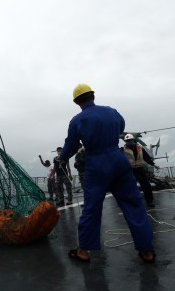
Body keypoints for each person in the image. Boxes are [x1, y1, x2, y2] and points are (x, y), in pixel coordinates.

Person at [58, 83, 155, 263]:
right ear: (93, 96)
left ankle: (83, 251)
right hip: (118, 160)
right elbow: (120, 128)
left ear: (76, 102)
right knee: (134, 205)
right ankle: (147, 251)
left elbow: (71, 144)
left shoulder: (77, 121)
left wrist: (62, 158)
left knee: (92, 208)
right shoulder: (112, 112)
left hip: (96, 163)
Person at [122, 134, 159, 208]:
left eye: (130, 140)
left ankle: (149, 201)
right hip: (129, 169)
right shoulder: (122, 149)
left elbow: (146, 157)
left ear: (133, 140)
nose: (128, 142)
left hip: (139, 168)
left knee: (146, 185)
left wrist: (154, 164)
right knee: (129, 186)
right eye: (127, 141)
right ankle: (131, 202)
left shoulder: (140, 148)